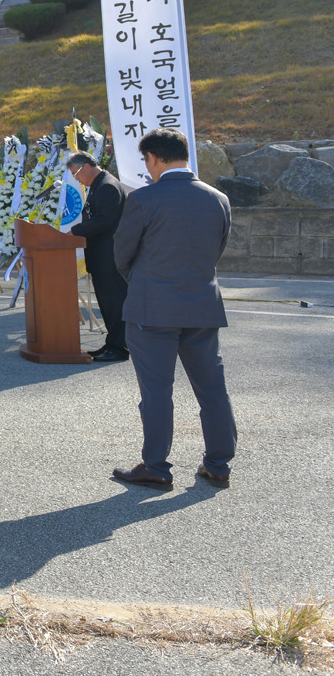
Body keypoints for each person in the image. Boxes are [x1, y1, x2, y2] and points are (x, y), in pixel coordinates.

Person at [111, 129, 236, 492]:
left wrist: (143, 281)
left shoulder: (144, 199)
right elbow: (217, 249)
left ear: (152, 157)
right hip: (202, 306)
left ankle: (156, 467)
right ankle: (218, 464)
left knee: (157, 391)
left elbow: (122, 253)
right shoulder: (218, 199)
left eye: (146, 160)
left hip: (151, 309)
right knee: (212, 389)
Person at [66, 153, 132, 363]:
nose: (77, 179)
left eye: (76, 174)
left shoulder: (107, 186)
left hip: (109, 257)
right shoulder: (100, 185)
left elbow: (104, 220)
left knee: (114, 302)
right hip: (102, 256)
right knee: (108, 302)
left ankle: (119, 347)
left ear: (86, 166)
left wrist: (75, 231)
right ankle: (112, 343)